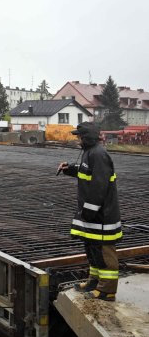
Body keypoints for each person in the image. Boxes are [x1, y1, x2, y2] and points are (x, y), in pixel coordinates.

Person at [57, 122, 122, 301]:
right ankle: (94, 282)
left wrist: (89, 211)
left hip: (101, 216)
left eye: (80, 136)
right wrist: (70, 169)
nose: (77, 139)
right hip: (92, 215)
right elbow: (87, 174)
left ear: (87, 137)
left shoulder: (99, 154)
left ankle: (107, 290)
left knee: (104, 252)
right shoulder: (89, 152)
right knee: (93, 250)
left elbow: (99, 187)